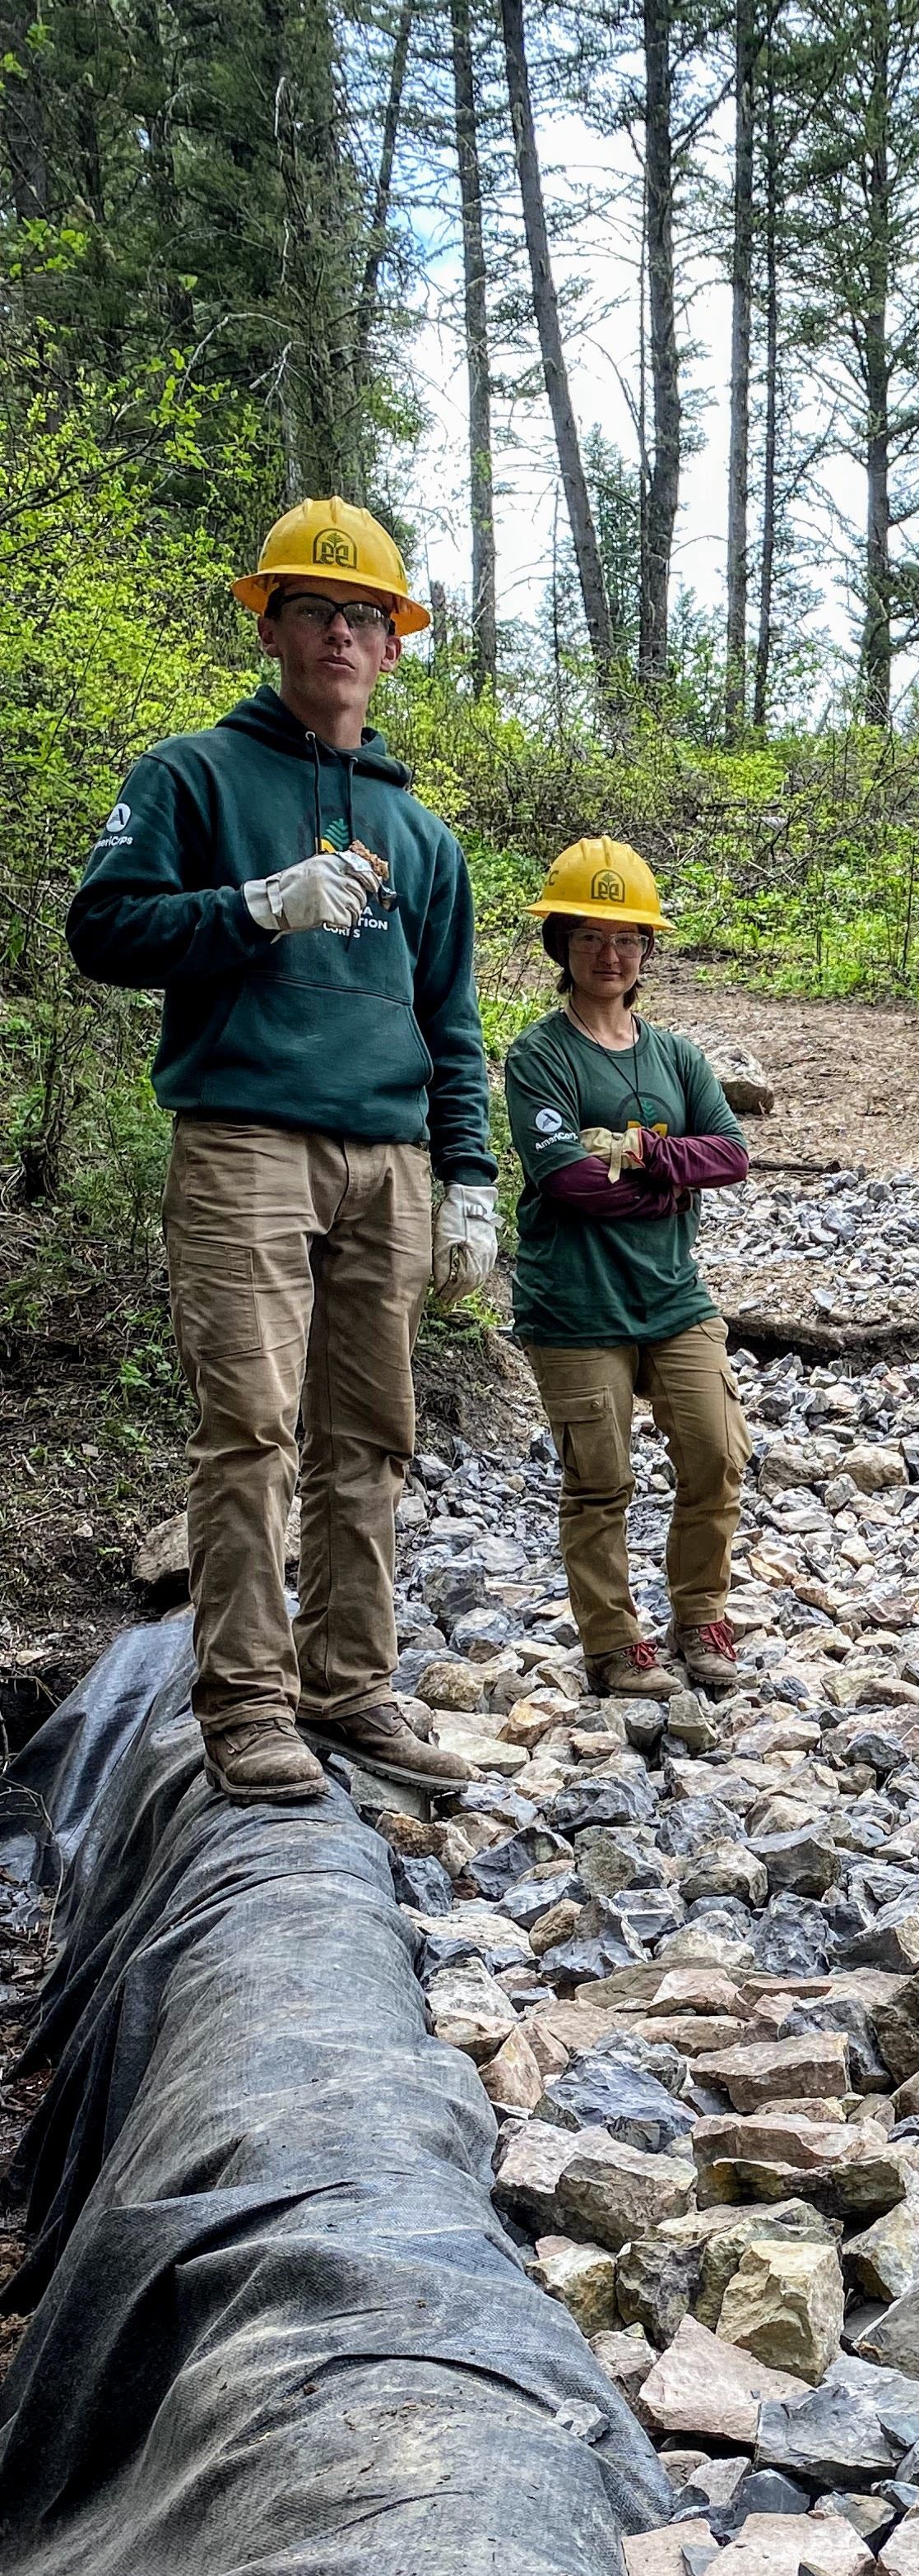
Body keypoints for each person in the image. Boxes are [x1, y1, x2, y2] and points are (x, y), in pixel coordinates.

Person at [67, 495, 495, 1806]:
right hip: (246, 1137)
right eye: (316, 609)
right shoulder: (191, 774)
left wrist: (472, 1178)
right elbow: (104, 932)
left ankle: (350, 1686)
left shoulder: (422, 838)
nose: (342, 635)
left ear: (394, 646)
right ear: (272, 625)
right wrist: (253, 907)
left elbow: (453, 1022)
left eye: (365, 615)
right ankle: (247, 1705)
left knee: (370, 1437)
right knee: (250, 1429)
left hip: (391, 1157)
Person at [504, 841, 754, 1698]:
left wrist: (642, 1155)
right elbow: (567, 1182)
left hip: (673, 1298)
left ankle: (700, 1615)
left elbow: (732, 1152)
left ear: (647, 952)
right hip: (576, 1305)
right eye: (590, 938)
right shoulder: (541, 1057)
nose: (609, 956)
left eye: (627, 940)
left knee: (716, 1457)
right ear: (562, 946)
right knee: (601, 1481)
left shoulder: (676, 1056)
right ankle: (612, 1646)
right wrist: (665, 1183)